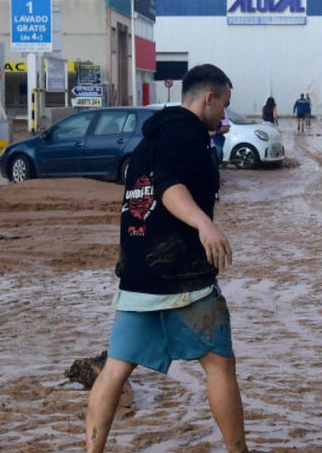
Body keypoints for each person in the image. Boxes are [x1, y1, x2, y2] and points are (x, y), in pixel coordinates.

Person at [86, 64, 247, 453]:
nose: (224, 113)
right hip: (182, 277)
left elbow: (143, 197)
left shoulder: (149, 141)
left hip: (139, 276)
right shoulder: (185, 135)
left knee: (115, 369)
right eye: (224, 103)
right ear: (209, 97)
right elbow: (170, 188)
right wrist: (206, 226)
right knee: (219, 366)